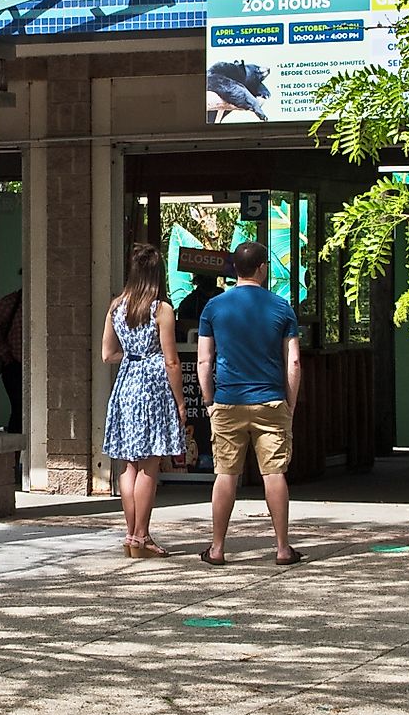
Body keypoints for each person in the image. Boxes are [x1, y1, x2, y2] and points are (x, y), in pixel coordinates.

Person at [195, 239, 303, 566]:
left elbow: (204, 360)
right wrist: (290, 403)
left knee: (226, 473)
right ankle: (283, 548)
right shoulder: (282, 307)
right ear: (261, 268)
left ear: (235, 270)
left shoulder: (213, 307)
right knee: (274, 473)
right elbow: (294, 361)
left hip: (228, 400)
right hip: (270, 399)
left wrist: (209, 400)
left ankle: (216, 548)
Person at [100, 243, 188, 557]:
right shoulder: (161, 309)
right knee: (151, 463)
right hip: (153, 386)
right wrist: (179, 402)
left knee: (129, 465)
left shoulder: (116, 306)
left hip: (125, 384)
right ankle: (142, 536)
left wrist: (133, 356)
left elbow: (107, 354)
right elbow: (172, 360)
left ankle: (130, 535)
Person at [0, 287, 24, 433]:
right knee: (19, 410)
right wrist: (7, 356)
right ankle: (18, 454)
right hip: (15, 366)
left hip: (37, 367)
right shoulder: (12, 301)